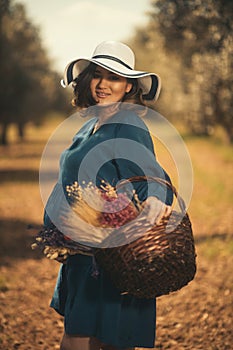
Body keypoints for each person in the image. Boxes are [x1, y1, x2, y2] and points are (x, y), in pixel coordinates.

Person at [44, 41, 173, 350]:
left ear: (128, 85)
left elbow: (151, 175)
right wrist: (55, 232)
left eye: (113, 77)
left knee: (81, 341)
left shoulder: (127, 123)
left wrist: (156, 198)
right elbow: (69, 179)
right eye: (98, 74)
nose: (102, 84)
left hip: (106, 262)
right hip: (80, 258)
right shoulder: (88, 127)